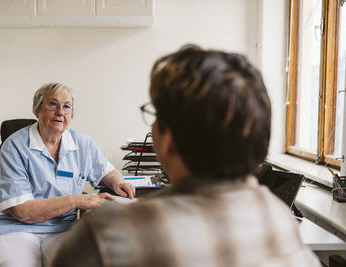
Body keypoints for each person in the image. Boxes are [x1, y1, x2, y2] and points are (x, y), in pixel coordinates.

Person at [52, 45, 320, 267]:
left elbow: (104, 170)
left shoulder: (106, 236)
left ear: (168, 141)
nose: (60, 113)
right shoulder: (279, 219)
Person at [0, 82, 135, 267]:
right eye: (53, 104)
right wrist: (78, 200)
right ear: (37, 110)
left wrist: (118, 181)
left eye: (66, 106)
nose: (60, 111)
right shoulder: (14, 146)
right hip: (13, 228)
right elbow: (22, 211)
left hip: (62, 229)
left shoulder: (82, 143)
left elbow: (106, 171)